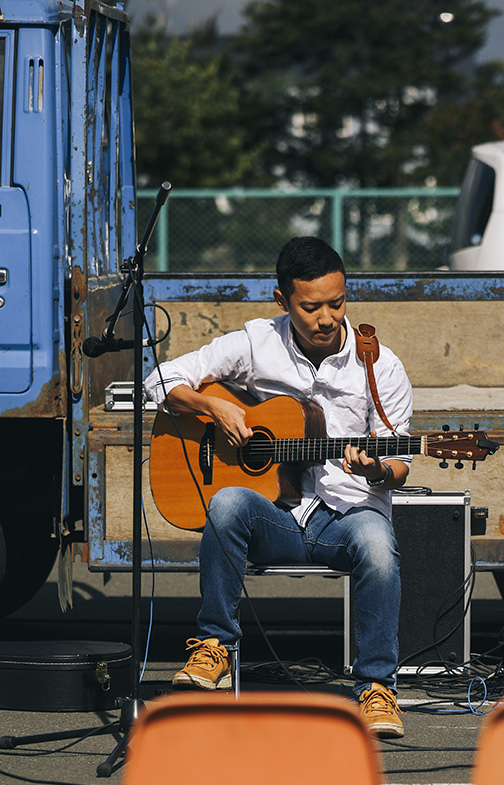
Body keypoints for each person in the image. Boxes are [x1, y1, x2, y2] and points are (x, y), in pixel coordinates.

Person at [143, 236, 412, 737]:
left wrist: (377, 470)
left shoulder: (380, 366)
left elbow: (399, 465)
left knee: (379, 546)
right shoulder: (256, 341)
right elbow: (159, 378)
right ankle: (215, 649)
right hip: (276, 515)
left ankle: (378, 688)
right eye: (311, 307)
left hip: (347, 516)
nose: (327, 318)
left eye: (337, 303)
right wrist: (215, 407)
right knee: (224, 501)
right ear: (282, 300)